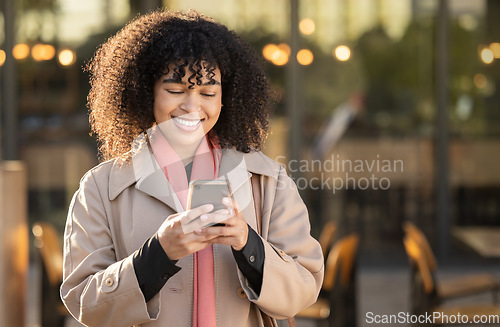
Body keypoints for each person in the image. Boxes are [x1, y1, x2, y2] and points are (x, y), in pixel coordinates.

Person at [60, 10, 323, 327]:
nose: (192, 106)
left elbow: (306, 286)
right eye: (175, 91)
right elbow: (84, 303)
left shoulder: (269, 180)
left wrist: (247, 243)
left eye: (208, 93)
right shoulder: (100, 188)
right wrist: (158, 253)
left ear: (226, 97)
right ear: (145, 91)